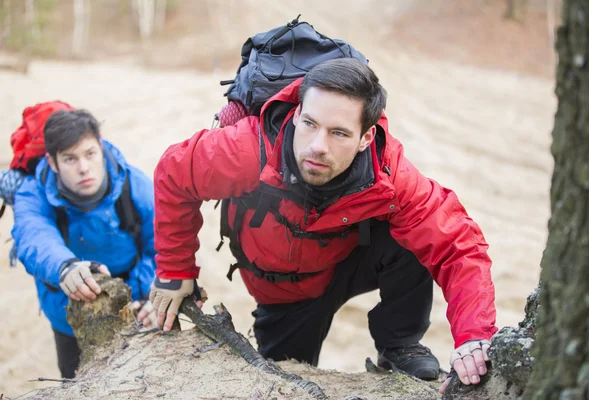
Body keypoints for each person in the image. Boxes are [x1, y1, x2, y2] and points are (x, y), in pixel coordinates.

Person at [149, 59, 498, 389]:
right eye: (310, 124)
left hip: (347, 259)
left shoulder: (388, 174)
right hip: (286, 293)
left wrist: (474, 336)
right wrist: (175, 272)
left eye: (339, 134)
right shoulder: (247, 148)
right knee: (281, 380)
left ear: (365, 138)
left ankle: (399, 344)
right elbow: (174, 172)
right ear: (297, 112)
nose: (317, 146)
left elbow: (458, 244)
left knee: (410, 240)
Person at [12, 109, 157, 379]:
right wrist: (64, 267)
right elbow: (33, 235)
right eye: (70, 158)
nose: (83, 168)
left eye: (90, 154)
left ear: (100, 147)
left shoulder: (134, 185)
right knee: (77, 384)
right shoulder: (33, 193)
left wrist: (149, 294)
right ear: (52, 162)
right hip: (69, 317)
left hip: (138, 310)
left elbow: (163, 245)